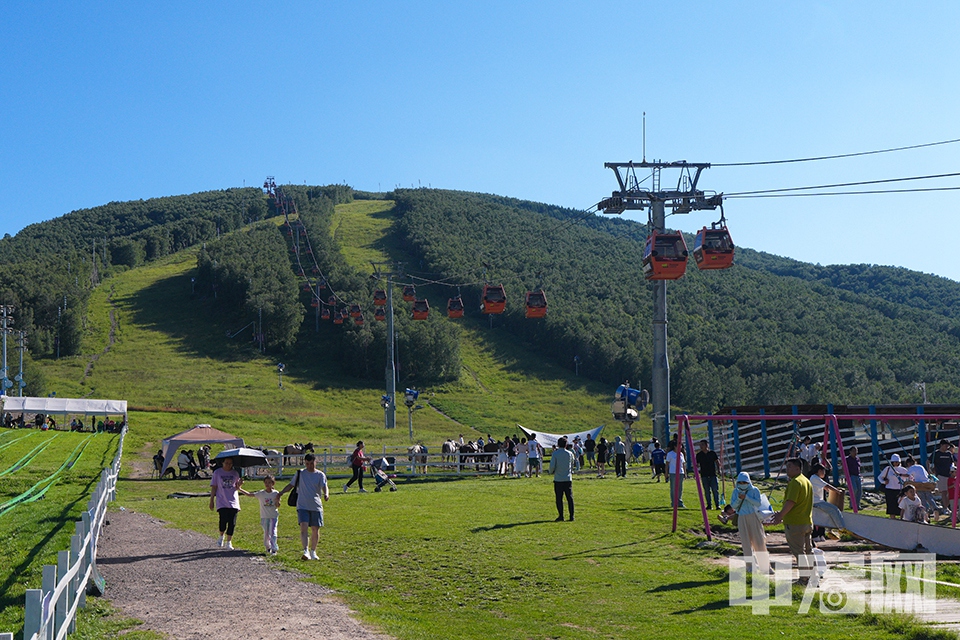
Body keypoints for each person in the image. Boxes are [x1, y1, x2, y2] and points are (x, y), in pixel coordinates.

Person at [277, 453, 329, 561]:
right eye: (307, 463)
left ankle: (313, 551)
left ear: (316, 462)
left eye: (311, 463)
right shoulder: (300, 473)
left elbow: (324, 486)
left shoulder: (320, 475)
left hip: (316, 505)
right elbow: (291, 485)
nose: (309, 466)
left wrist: (326, 494)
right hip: (302, 505)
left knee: (315, 529)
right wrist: (281, 492)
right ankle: (305, 550)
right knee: (303, 527)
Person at [770, 458, 814, 584]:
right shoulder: (806, 481)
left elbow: (791, 502)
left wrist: (780, 515)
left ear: (797, 468)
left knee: (799, 551)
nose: (787, 469)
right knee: (808, 550)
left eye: (789, 467)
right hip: (807, 520)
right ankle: (811, 574)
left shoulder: (795, 482)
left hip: (795, 523)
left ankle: (804, 578)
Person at [732, 472, 768, 574]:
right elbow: (733, 505)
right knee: (746, 543)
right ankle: (750, 567)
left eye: (745, 482)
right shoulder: (736, 491)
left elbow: (758, 503)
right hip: (742, 517)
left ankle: (765, 566)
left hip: (753, 516)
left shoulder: (754, 490)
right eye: (741, 482)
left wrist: (747, 497)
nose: (743, 484)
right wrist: (739, 499)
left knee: (759, 541)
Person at [240, 474, 281, 554]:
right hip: (264, 516)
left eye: (269, 482)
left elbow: (277, 505)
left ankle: (274, 549)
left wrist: (278, 501)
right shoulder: (261, 493)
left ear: (273, 483)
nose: (267, 484)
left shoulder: (275, 493)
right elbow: (250, 494)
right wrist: (240, 489)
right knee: (266, 533)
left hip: (273, 516)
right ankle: (267, 546)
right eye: (266, 482)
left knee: (273, 532)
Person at [208, 456, 243, 550]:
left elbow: (236, 487)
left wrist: (240, 484)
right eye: (226, 463)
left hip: (233, 500)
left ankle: (229, 542)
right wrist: (211, 500)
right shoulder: (217, 473)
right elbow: (214, 487)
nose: (228, 465)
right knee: (223, 521)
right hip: (222, 500)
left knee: (232, 522)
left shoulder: (235, 473)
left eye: (230, 463)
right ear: (222, 463)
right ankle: (221, 536)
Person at [808, 463, 839, 542]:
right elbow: (827, 485)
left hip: (818, 501)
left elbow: (825, 487)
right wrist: (838, 491)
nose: (824, 474)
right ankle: (841, 528)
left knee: (820, 517)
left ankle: (821, 534)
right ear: (819, 471)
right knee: (834, 509)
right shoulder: (814, 478)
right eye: (823, 472)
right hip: (816, 502)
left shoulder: (816, 479)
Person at [549, 437, 575, 521]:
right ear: (566, 445)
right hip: (567, 478)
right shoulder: (570, 453)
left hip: (558, 478)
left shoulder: (555, 454)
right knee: (569, 498)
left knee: (559, 498)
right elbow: (572, 463)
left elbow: (552, 466)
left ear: (558, 444)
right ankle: (571, 516)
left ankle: (561, 516)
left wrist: (551, 471)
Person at [879, 454, 911, 519]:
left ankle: (902, 519)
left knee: (901, 506)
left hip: (900, 490)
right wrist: (884, 482)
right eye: (895, 462)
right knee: (891, 507)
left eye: (897, 462)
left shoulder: (903, 470)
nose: (896, 463)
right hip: (889, 490)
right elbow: (880, 477)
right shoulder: (888, 469)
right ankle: (892, 519)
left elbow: (910, 477)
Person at [932, 440, 956, 515]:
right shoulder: (936, 453)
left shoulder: (948, 453)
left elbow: (952, 462)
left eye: (948, 446)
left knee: (950, 491)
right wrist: (930, 470)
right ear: (941, 445)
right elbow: (928, 461)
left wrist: (953, 469)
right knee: (944, 492)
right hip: (941, 475)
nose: (947, 447)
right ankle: (945, 508)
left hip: (949, 475)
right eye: (946, 446)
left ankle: (945, 506)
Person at [695, 440, 721, 510]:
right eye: (700, 445)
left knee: (715, 490)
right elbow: (696, 465)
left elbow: (717, 461)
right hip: (704, 475)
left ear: (706, 445)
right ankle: (709, 505)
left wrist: (719, 470)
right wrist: (696, 473)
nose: (701, 446)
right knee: (707, 491)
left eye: (702, 445)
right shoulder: (699, 455)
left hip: (713, 474)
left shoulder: (712, 453)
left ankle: (717, 505)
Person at [665, 441, 685, 508]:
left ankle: (679, 501)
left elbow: (683, 464)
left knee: (680, 488)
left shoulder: (681, 454)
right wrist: (666, 473)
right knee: (673, 488)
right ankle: (673, 502)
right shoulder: (670, 454)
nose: (680, 447)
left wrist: (685, 473)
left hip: (680, 472)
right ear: (675, 446)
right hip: (673, 472)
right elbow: (667, 464)